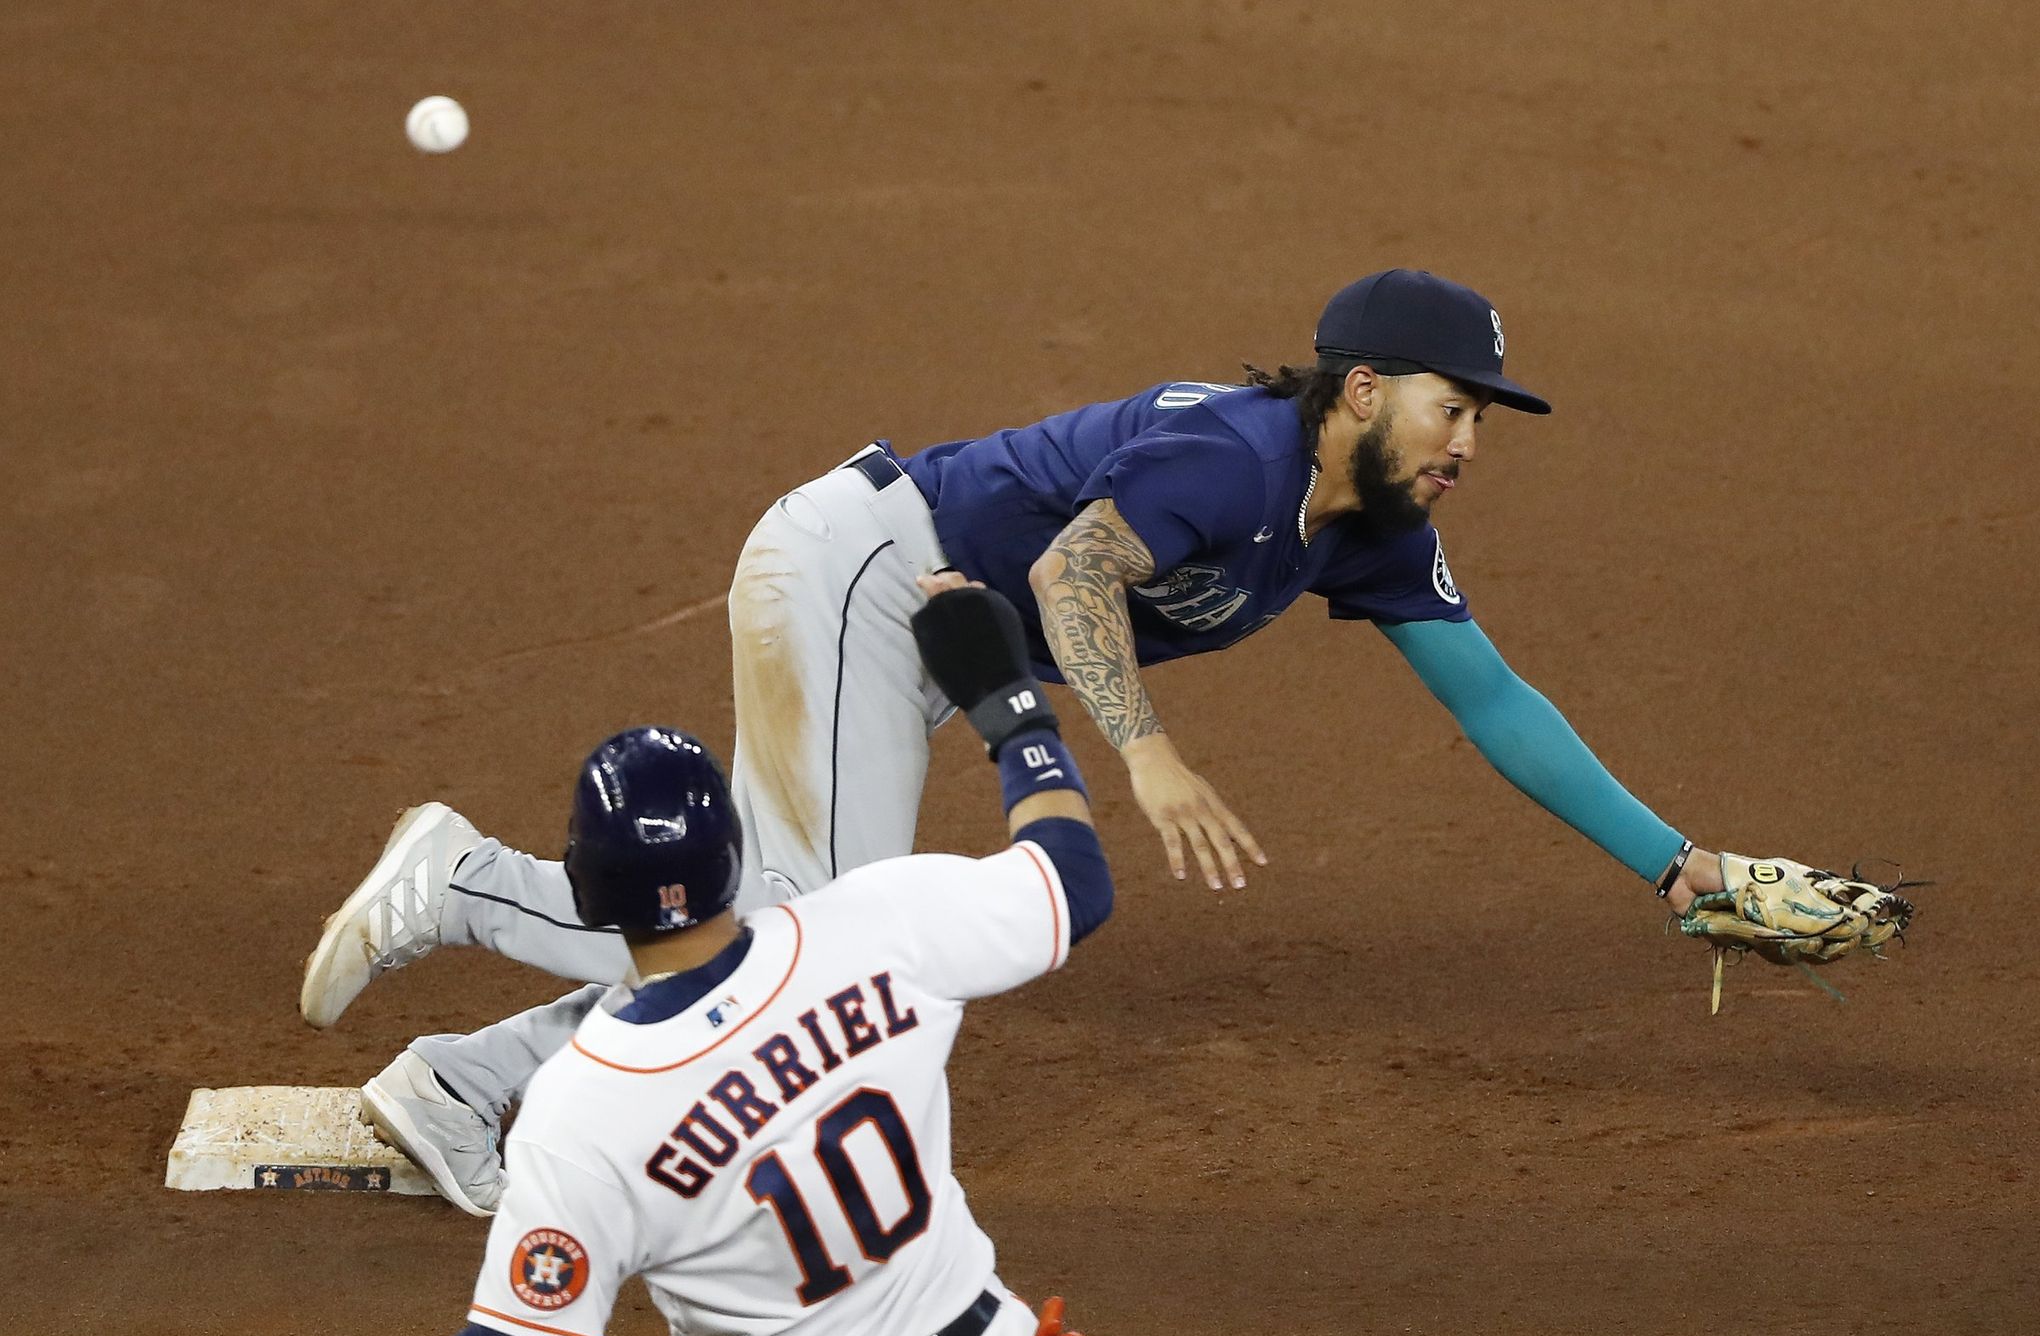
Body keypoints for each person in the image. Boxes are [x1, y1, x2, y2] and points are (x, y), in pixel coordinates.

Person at [301, 267, 1726, 1214]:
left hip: (912, 636)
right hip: (866, 572)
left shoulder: (1371, 531)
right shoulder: (1236, 454)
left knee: (783, 936)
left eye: (1478, 415)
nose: (1467, 439)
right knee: (805, 937)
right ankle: (468, 883)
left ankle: (464, 1085)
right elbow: (1069, 576)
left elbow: (1495, 704)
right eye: (1450, 405)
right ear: (1362, 388)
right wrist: (1149, 752)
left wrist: (1676, 869)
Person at [131, 590, 1307, 1336]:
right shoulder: (874, 923)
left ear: (586, 899)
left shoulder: (584, 1106)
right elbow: (1071, 879)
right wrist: (1010, 712)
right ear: (734, 859)